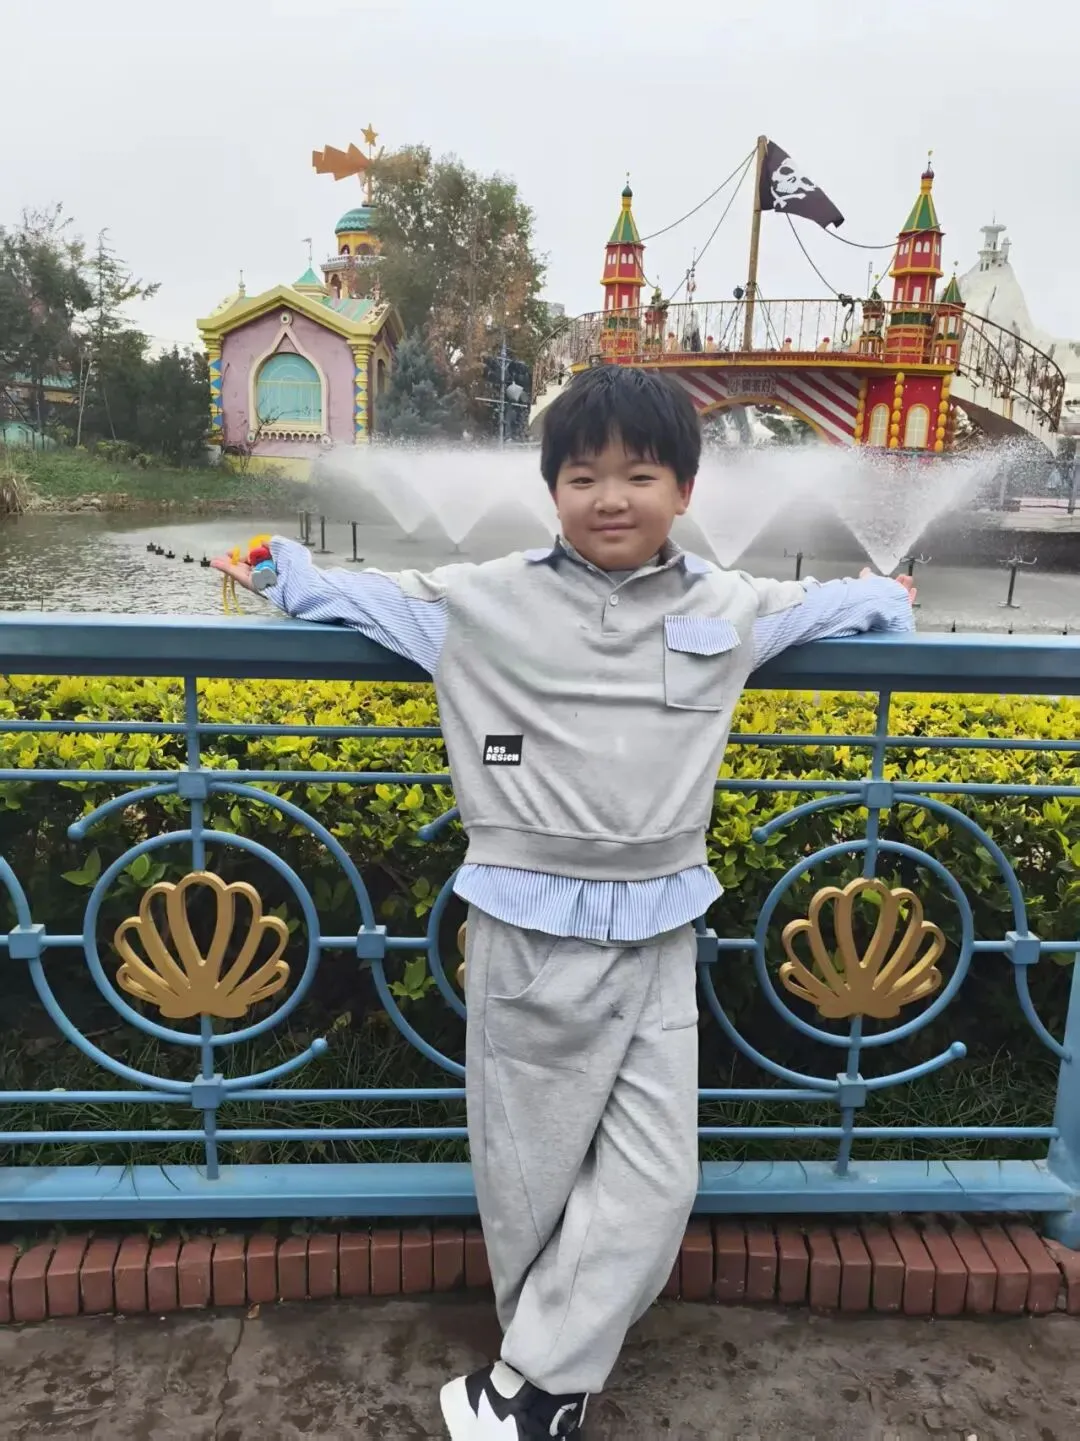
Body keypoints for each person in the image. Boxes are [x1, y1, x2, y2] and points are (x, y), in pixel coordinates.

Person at [213, 365, 915, 1441]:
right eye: (584, 476)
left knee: (660, 1180)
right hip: (528, 932)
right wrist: (279, 566)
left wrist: (885, 595)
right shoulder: (480, 598)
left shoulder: (728, 605)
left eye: (640, 474)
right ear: (552, 490)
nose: (611, 497)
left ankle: (523, 1385)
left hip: (662, 932)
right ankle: (542, 1389)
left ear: (685, 488)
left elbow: (832, 606)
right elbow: (359, 596)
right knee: (529, 1178)